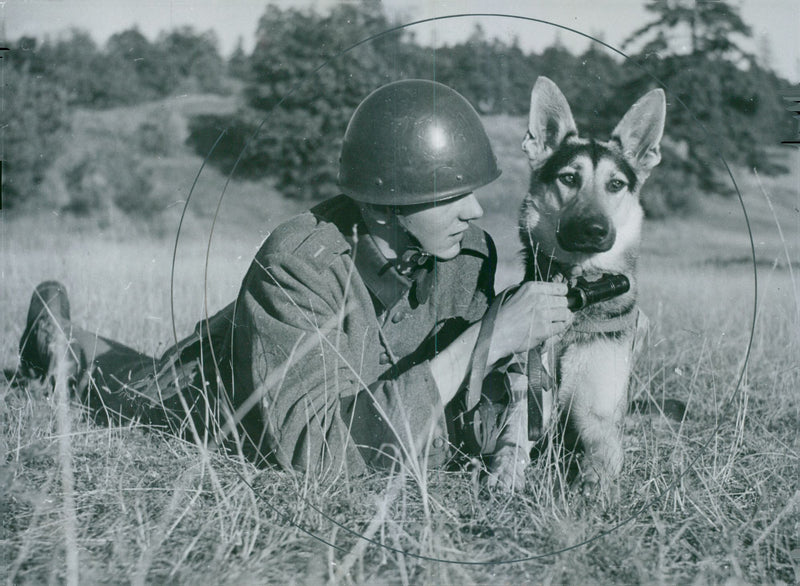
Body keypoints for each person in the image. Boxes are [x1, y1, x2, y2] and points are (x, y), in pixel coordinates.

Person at [18, 80, 572, 479]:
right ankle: (54, 339)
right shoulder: (297, 266)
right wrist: (486, 340)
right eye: (451, 195)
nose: (476, 210)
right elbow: (315, 452)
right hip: (205, 386)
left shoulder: (468, 255)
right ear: (384, 206)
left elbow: (468, 409)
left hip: (327, 389)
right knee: (123, 385)